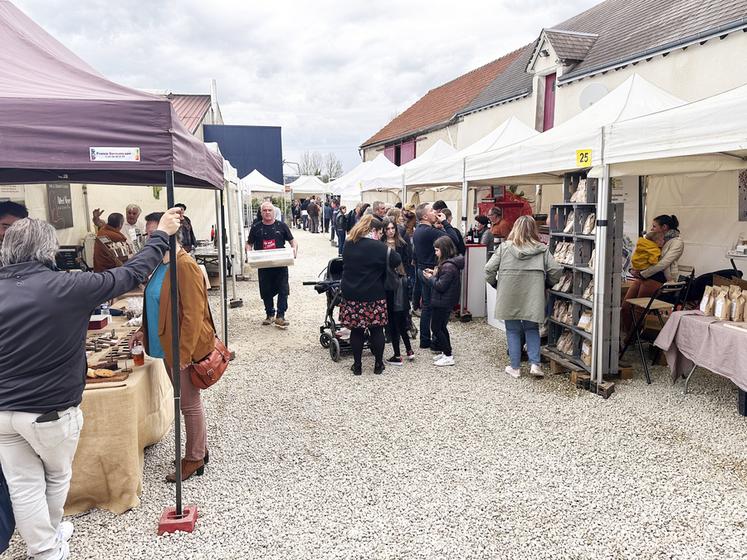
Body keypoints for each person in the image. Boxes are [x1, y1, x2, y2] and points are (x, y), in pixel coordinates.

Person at [0, 209, 182, 560]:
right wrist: (161, 235)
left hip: (3, 411)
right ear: (48, 250)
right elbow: (130, 274)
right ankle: (47, 548)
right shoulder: (65, 286)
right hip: (49, 409)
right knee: (55, 478)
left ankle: (45, 544)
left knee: (23, 484)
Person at [131, 212, 215, 483]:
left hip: (179, 349)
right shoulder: (161, 263)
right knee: (186, 402)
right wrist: (143, 329)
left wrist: (184, 354)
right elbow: (158, 303)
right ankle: (199, 448)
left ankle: (194, 458)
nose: (150, 239)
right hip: (165, 346)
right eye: (148, 234)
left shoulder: (184, 265)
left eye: (155, 233)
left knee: (188, 404)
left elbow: (193, 314)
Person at [485, 215, 562, 378]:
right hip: (533, 294)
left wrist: (496, 284)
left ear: (515, 228)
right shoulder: (542, 249)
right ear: (534, 229)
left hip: (509, 293)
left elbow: (488, 270)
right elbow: (556, 270)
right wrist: (547, 284)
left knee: (512, 330)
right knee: (532, 328)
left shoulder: (504, 248)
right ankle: (535, 364)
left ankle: (515, 367)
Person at [340, 215, 401, 375]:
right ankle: (378, 365)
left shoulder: (348, 243)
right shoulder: (377, 247)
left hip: (352, 293)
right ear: (373, 230)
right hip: (374, 294)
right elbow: (396, 259)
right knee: (376, 330)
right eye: (380, 232)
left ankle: (358, 365)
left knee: (356, 330)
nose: (381, 235)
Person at [621, 214, 684, 341]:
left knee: (639, 311)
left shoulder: (677, 242)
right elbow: (640, 255)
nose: (652, 228)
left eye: (654, 226)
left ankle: (630, 339)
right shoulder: (652, 238)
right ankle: (628, 336)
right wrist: (633, 270)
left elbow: (663, 264)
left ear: (664, 227)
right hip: (644, 276)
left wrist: (642, 274)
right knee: (626, 307)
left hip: (658, 279)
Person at [412, 202, 460, 351]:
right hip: (430, 271)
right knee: (436, 307)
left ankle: (425, 340)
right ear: (425, 216)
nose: (435, 212)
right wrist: (445, 221)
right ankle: (437, 341)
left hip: (422, 269)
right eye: (432, 210)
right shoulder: (428, 231)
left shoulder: (419, 230)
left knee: (427, 306)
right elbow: (454, 240)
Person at [247, 201, 298, 328]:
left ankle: (280, 316)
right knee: (266, 290)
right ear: (261, 212)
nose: (267, 212)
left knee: (283, 289)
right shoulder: (256, 227)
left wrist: (294, 250)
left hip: (280, 264)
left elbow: (292, 241)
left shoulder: (282, 226)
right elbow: (249, 244)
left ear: (274, 212)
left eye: (270, 210)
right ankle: (269, 314)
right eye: (264, 210)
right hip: (263, 265)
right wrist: (248, 254)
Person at [423, 236, 464, 367]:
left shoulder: (448, 267)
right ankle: (447, 351)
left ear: (444, 250)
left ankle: (448, 356)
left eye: (436, 250)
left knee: (435, 327)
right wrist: (435, 274)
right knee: (441, 327)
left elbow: (441, 286)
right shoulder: (450, 264)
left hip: (442, 302)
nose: (435, 253)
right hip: (445, 301)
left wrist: (430, 278)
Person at [382, 217, 414, 366]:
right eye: (387, 228)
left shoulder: (402, 243)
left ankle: (403, 352)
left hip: (399, 282)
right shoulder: (380, 245)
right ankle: (403, 351)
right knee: (394, 319)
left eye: (392, 228)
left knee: (399, 318)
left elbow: (408, 262)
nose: (390, 231)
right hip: (388, 283)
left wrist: (404, 276)